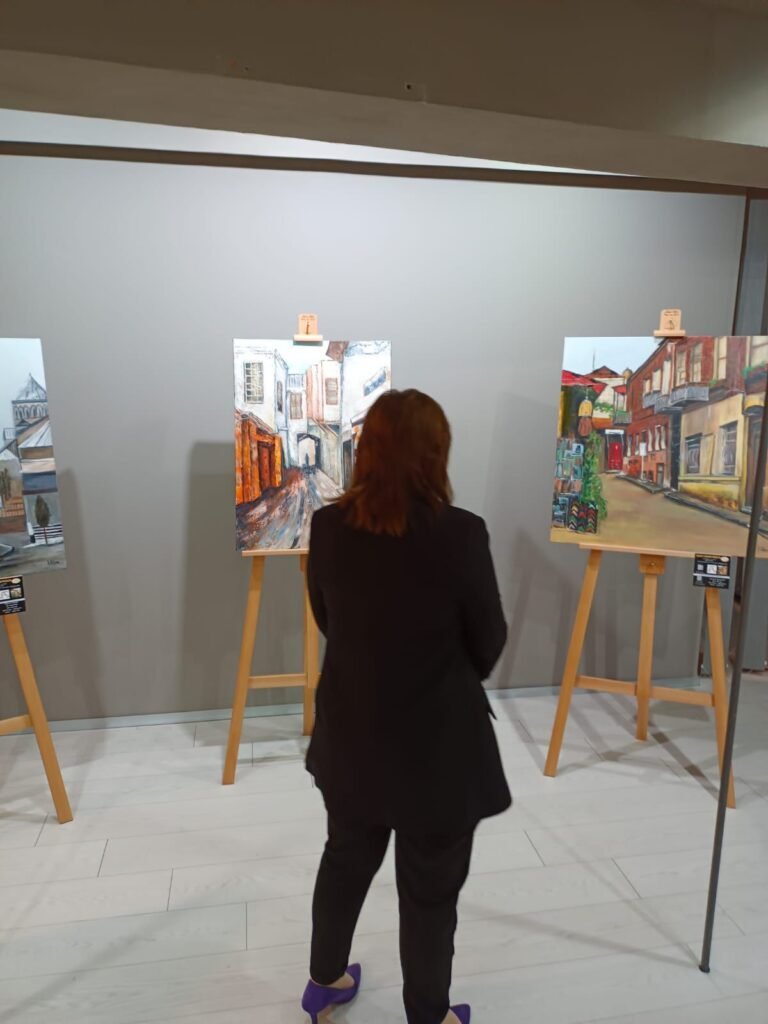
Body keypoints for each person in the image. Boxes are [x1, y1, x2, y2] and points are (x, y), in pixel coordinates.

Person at [301, 389, 510, 1024]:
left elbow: (328, 620)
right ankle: (428, 1015)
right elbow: (489, 639)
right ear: (435, 454)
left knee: (345, 860)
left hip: (352, 736)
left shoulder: (327, 528)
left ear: (366, 451)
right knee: (429, 893)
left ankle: (324, 982)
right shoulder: (462, 533)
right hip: (437, 749)